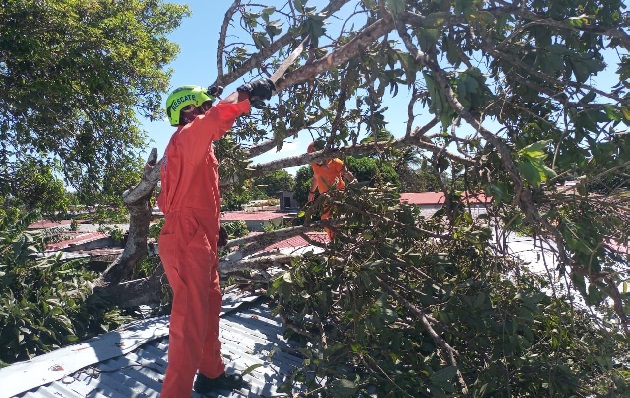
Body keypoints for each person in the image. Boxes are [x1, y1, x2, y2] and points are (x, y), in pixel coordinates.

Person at [157, 78, 275, 397]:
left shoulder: (194, 147)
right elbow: (214, 119)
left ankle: (211, 374)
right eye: (201, 107)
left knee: (209, 307)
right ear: (186, 112)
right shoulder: (186, 136)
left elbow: (198, 192)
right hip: (185, 237)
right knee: (190, 322)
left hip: (198, 234)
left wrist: (215, 226)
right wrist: (246, 94)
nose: (207, 110)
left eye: (207, 106)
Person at [307, 141, 357, 240]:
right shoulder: (314, 164)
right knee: (326, 220)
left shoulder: (336, 162)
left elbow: (347, 174)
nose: (314, 159)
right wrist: (311, 192)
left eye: (315, 155)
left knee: (339, 220)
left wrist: (357, 187)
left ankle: (343, 242)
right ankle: (333, 242)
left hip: (338, 196)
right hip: (325, 198)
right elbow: (316, 177)